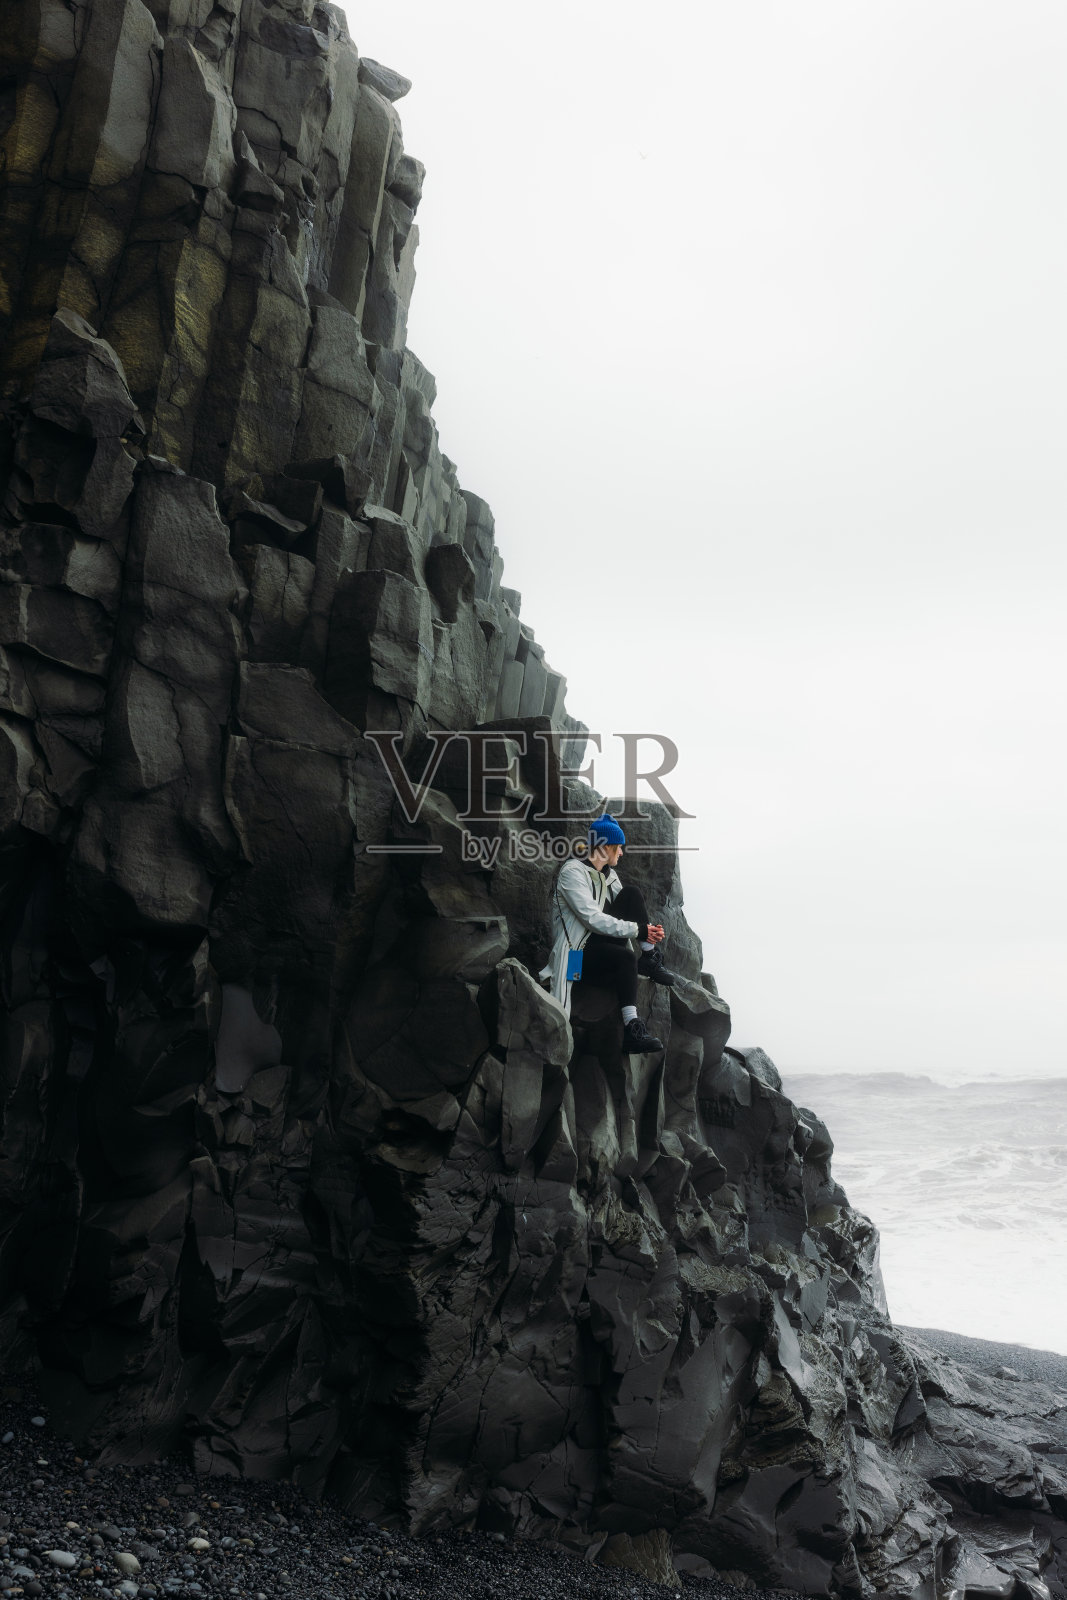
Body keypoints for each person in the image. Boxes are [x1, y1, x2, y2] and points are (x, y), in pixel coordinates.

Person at [540, 815, 678, 1053]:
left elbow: (627, 911)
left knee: (632, 894)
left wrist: (649, 932)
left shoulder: (609, 875)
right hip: (576, 955)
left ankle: (649, 957)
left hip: (599, 947)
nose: (622, 853)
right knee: (625, 958)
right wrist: (639, 930)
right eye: (619, 847)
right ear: (605, 846)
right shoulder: (572, 872)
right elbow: (592, 919)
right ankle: (632, 1027)